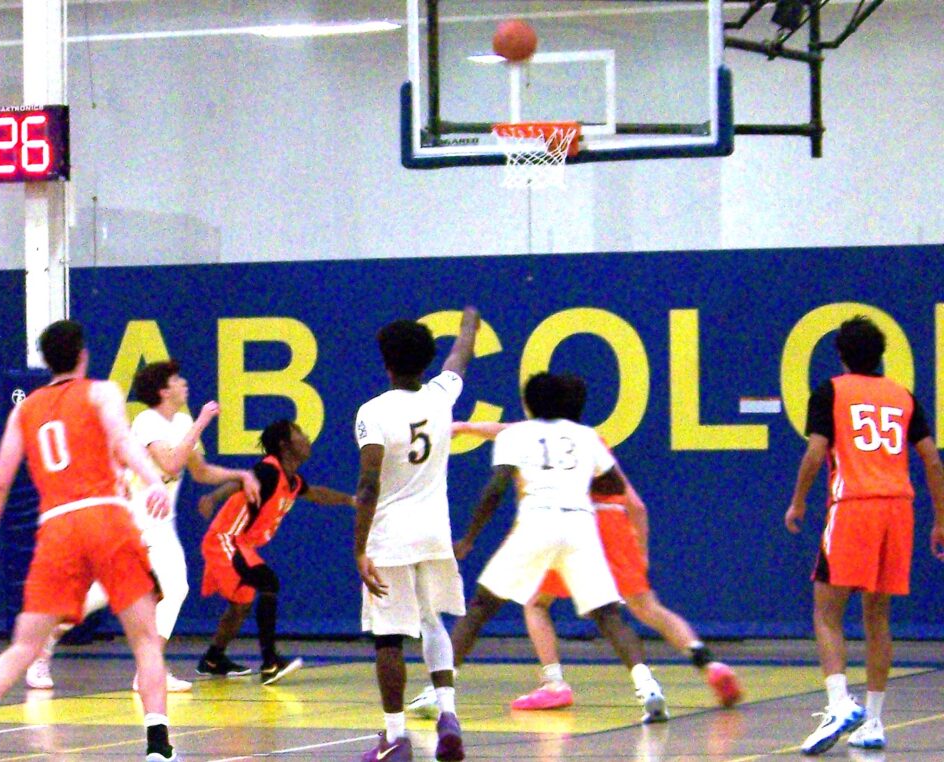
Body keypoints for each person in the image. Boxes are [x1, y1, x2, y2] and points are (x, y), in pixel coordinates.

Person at [0, 319, 179, 762]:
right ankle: (158, 748)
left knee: (24, 645)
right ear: (82, 354)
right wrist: (154, 482)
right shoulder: (100, 392)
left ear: (46, 361)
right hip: (107, 517)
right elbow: (124, 443)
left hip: (57, 528)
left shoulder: (24, 411)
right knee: (145, 641)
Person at [409, 418, 741, 716]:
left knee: (535, 603)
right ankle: (707, 662)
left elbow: (506, 433)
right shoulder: (591, 440)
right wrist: (640, 553)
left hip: (572, 522)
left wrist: (465, 427)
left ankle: (553, 683)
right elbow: (636, 505)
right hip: (613, 524)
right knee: (647, 608)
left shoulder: (534, 440)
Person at [446, 372, 670, 726]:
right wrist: (577, 476)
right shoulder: (586, 436)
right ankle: (648, 687)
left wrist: (471, 536)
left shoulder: (515, 434)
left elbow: (495, 489)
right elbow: (612, 483)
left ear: (530, 404)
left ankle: (440, 693)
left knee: (480, 608)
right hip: (580, 525)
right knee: (609, 616)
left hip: (536, 522)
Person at [26, 359, 261, 693]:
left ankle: (142, 667)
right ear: (164, 390)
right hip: (134, 522)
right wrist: (203, 423)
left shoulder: (181, 420)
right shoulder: (147, 421)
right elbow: (170, 462)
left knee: (159, 588)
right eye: (177, 380)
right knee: (122, 591)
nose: (184, 384)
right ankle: (47, 644)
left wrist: (239, 474)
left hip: (160, 524)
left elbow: (199, 471)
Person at [784, 316, 944, 755]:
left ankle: (839, 703)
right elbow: (931, 460)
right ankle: (873, 721)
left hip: (854, 506)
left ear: (840, 355)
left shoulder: (831, 391)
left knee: (826, 610)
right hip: (899, 510)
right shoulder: (902, 396)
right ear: (881, 355)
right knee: (878, 616)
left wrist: (798, 501)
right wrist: (941, 520)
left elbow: (817, 453)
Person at [353, 308, 480, 762]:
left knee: (388, 638)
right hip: (434, 532)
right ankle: (448, 714)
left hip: (390, 536)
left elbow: (368, 486)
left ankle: (394, 737)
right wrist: (469, 325)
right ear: (424, 362)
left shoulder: (373, 413)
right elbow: (459, 358)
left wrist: (359, 548)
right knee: (431, 621)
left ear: (386, 360)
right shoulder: (440, 398)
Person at [196, 419, 354, 685]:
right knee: (268, 581)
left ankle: (212, 659)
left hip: (242, 544)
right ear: (285, 445)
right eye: (299, 434)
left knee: (241, 605)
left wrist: (350, 500)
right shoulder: (269, 471)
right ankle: (270, 662)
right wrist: (213, 497)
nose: (306, 438)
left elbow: (316, 494)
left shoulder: (291, 481)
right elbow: (239, 483)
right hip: (226, 538)